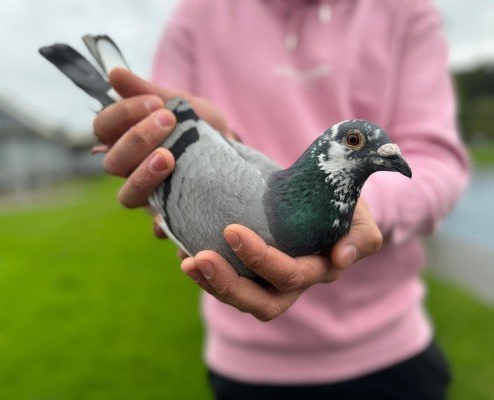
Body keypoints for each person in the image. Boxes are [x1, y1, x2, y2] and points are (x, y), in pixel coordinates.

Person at [93, 0, 469, 398]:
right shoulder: (196, 14)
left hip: (391, 351)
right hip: (248, 365)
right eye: (355, 143)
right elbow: (162, 120)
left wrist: (370, 208)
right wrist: (154, 139)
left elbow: (437, 160)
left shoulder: (406, 9)